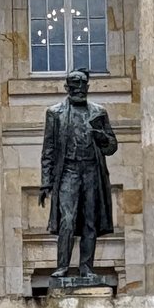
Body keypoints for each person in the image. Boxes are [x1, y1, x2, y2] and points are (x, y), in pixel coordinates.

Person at [38, 68, 118, 285]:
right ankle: (62, 267)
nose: (79, 89)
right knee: (68, 220)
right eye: (74, 85)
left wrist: (101, 136)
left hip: (92, 171)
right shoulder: (55, 113)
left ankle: (86, 268)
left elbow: (111, 147)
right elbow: (48, 149)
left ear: (87, 88)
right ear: (67, 87)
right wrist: (46, 181)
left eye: (82, 85)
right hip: (68, 172)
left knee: (90, 222)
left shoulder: (98, 112)